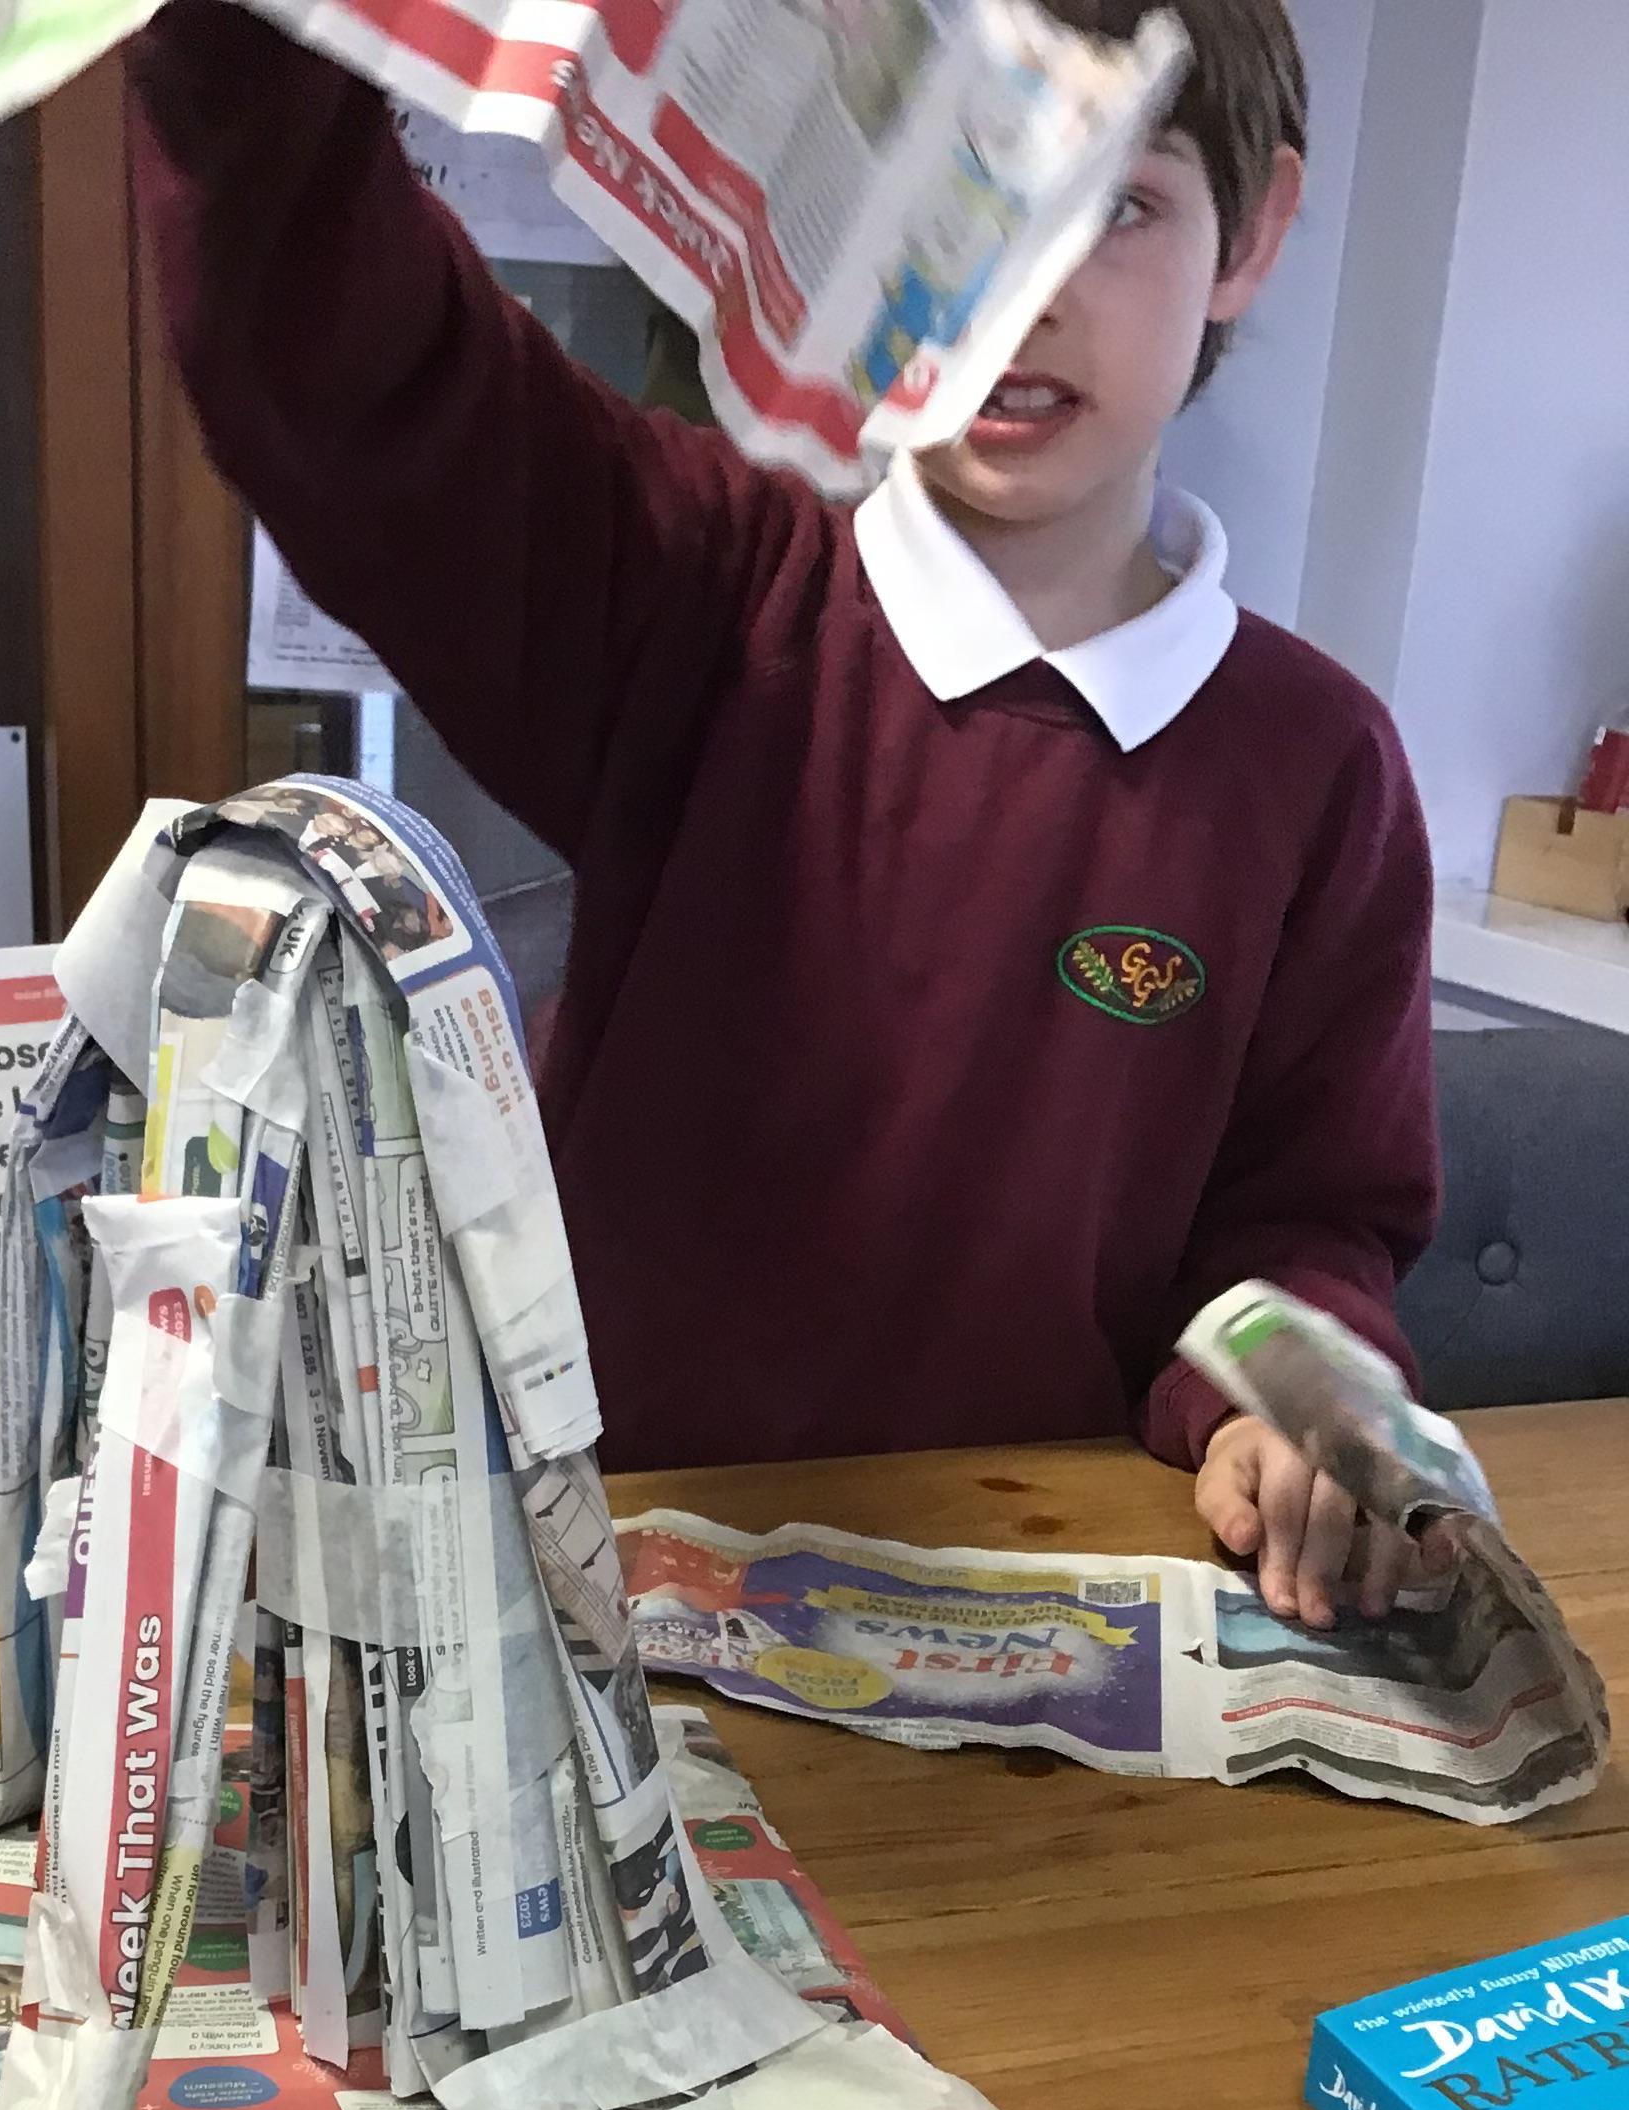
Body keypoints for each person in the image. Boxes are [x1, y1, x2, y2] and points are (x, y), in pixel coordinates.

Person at [127, 0, 1442, 1633]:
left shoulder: (1318, 769)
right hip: (606, 1604)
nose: (1019, 282)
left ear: (1251, 233)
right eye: (960, 182)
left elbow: (1305, 1223)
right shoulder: (699, 593)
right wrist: (248, 38)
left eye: (1117, 203)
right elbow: (345, 364)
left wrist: (1285, 1408)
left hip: (1043, 1611)